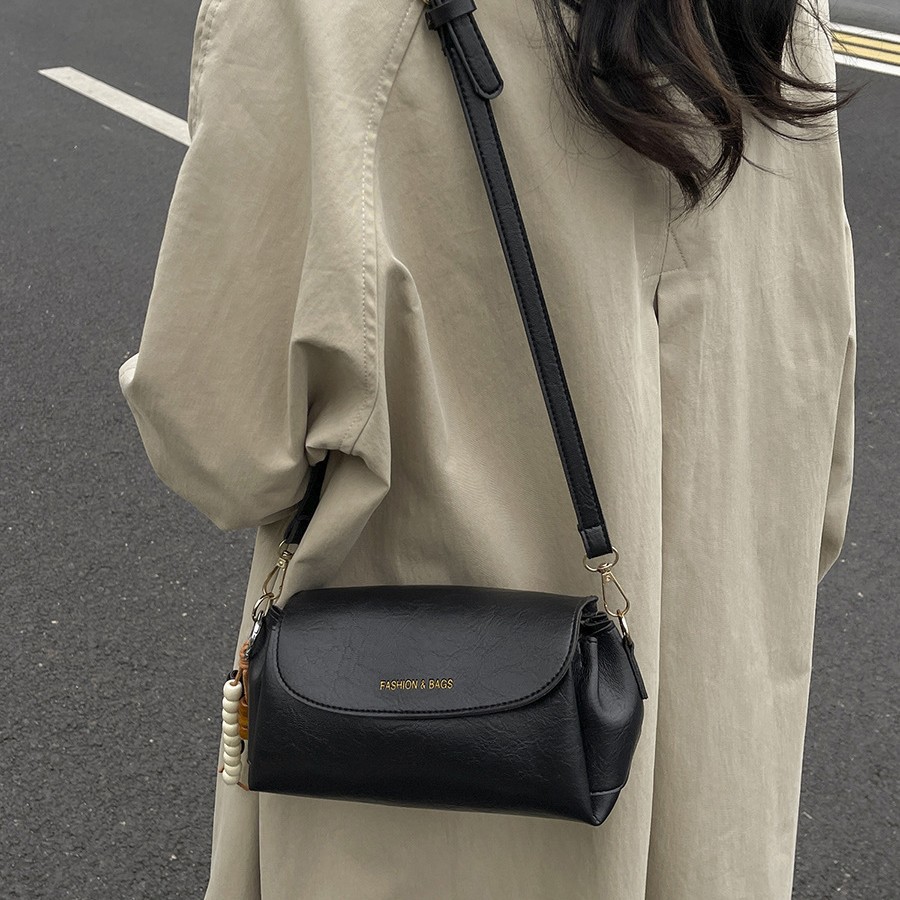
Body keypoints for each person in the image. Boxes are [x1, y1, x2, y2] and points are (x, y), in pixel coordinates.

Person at [118, 0, 857, 897]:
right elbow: (815, 474)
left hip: (416, 787)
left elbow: (225, 449)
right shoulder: (783, 23)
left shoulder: (333, 19)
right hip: (720, 778)